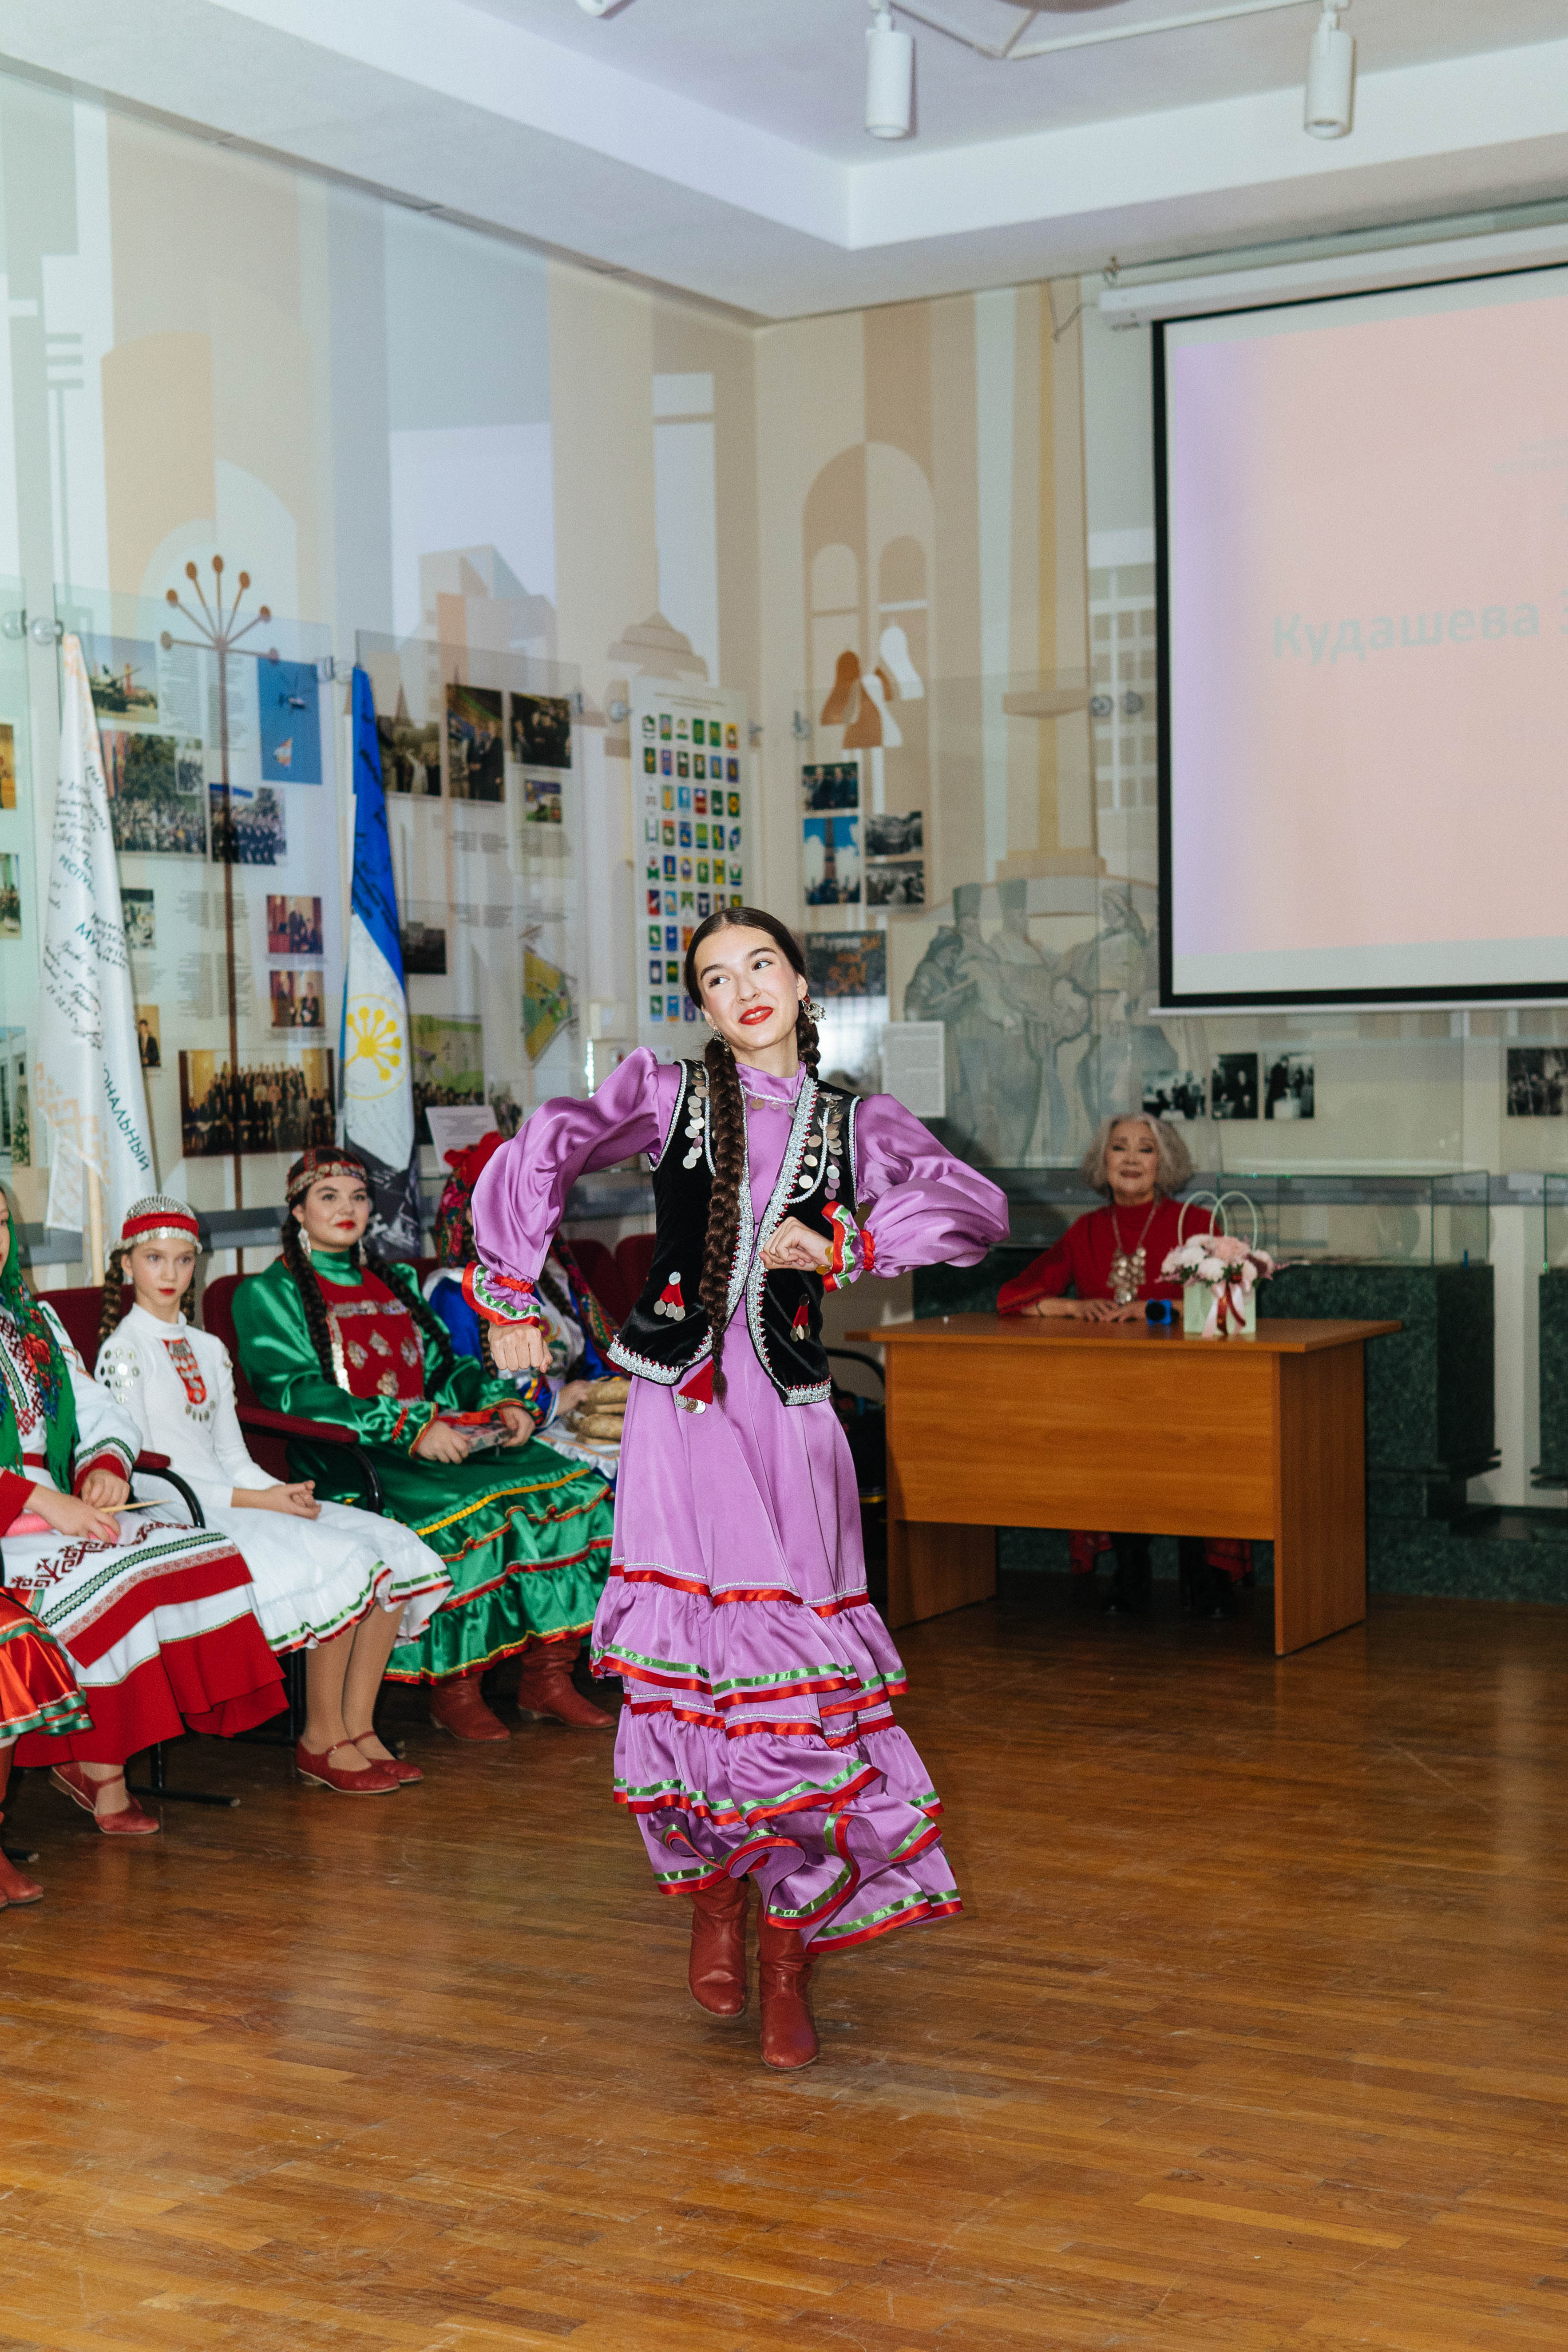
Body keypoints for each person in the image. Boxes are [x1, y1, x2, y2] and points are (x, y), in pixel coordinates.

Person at [467, 905, 1010, 2072]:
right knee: (694, 1685)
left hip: (794, 1429)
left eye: (761, 964)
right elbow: (548, 1139)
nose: (744, 987)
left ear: (802, 983)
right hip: (679, 1418)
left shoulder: (856, 1121)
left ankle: (786, 1955)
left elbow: (973, 1208)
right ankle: (715, 1895)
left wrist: (853, 1245)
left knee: (799, 1700)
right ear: (703, 1008)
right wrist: (507, 1288)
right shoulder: (665, 1095)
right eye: (716, 977)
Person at [230, 1149, 617, 1743]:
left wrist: (501, 1403)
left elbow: (447, 1369)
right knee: (472, 1517)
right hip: (355, 1457)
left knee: (578, 1491)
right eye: (328, 1197)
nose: (347, 1208)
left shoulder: (396, 1282)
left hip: (438, 1441)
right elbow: (297, 1395)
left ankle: (548, 1677)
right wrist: (409, 1429)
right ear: (299, 1210)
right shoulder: (267, 1293)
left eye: (359, 1197)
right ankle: (455, 1690)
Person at [95, 1196, 453, 1794]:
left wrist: (281, 1491)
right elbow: (148, 1475)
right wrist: (261, 1503)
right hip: (178, 1513)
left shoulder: (208, 1349)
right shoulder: (123, 1353)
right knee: (345, 1563)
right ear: (127, 1264)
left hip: (234, 1499)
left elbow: (233, 1455)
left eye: (183, 1260)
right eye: (154, 1258)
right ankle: (321, 1738)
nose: (170, 1273)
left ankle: (359, 1728)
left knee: (392, 1545)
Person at [0, 1191, 284, 1833]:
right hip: (11, 1516)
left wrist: (104, 1466)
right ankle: (95, 1769)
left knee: (195, 1551)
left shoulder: (33, 1319)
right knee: (111, 1579)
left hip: (60, 1502)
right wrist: (42, 1500)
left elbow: (99, 1408)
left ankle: (95, 1760)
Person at [996, 1113, 1245, 1618]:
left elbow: (1230, 1304)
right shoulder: (1086, 1230)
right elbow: (1014, 1297)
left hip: (1188, 1388)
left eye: (1145, 1149)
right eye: (1119, 1148)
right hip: (1111, 1391)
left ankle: (1204, 1576)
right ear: (1102, 1160)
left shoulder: (1195, 1224)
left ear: (1164, 1162)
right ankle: (1131, 1573)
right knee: (1110, 1446)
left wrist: (1153, 1310)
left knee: (1190, 1452)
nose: (1131, 1159)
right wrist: (1072, 1307)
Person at [424, 1133, 623, 1473]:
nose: (520, 1215)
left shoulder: (553, 1282)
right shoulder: (454, 1291)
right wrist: (555, 1403)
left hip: (573, 1424)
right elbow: (463, 1388)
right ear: (471, 1215)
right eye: (502, 1201)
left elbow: (591, 1368)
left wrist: (607, 1391)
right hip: (512, 1439)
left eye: (529, 1200)